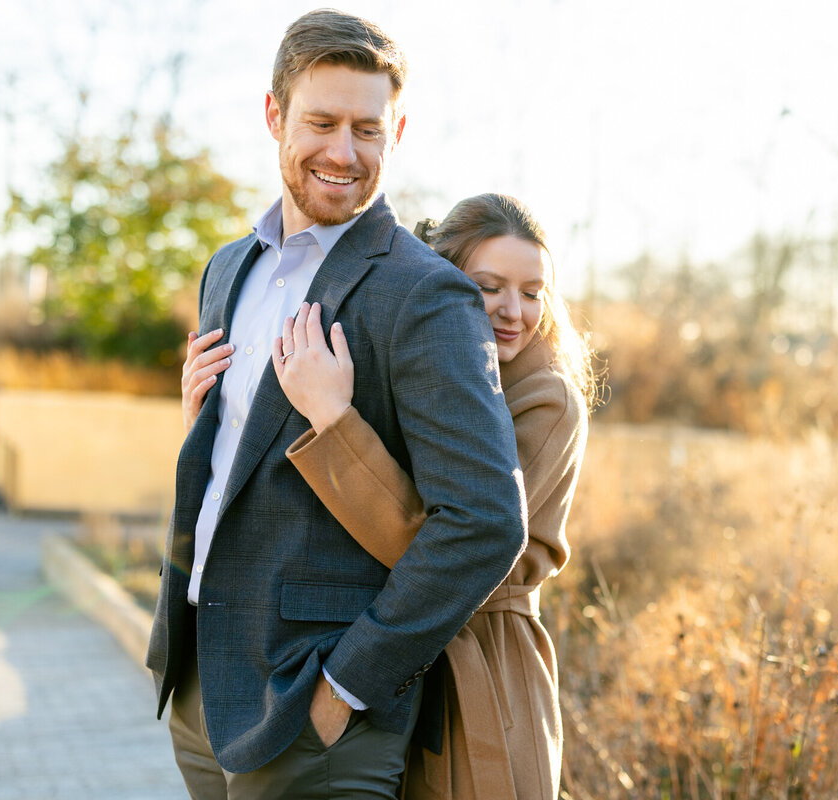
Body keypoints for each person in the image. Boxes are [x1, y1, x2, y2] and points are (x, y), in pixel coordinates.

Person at [145, 11, 527, 799]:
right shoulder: (228, 268)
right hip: (199, 686)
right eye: (320, 122)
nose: (343, 153)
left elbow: (485, 519)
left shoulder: (424, 295)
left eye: (367, 129)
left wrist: (347, 685)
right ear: (273, 115)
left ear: (399, 130)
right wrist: (204, 431)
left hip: (315, 715)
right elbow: (241, 468)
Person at [269, 193, 599, 799]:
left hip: (481, 677)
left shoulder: (548, 400)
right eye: (488, 286)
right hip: (401, 651)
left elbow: (453, 543)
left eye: (532, 292)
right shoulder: (434, 372)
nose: (512, 311)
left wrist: (334, 421)